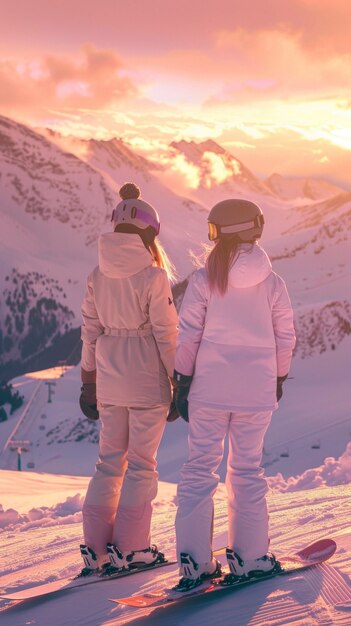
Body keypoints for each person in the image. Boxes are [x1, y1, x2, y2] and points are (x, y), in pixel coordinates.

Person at [170, 198, 296, 591]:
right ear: (253, 228)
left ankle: (194, 564)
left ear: (218, 233)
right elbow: (285, 337)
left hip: (208, 390)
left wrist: (183, 381)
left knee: (198, 471)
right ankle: (251, 558)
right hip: (256, 392)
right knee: (246, 471)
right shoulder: (274, 283)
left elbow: (188, 334)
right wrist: (278, 377)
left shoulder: (205, 278)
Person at [79, 182, 178, 576]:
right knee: (141, 465)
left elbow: (89, 331)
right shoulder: (153, 277)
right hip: (145, 378)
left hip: (108, 378)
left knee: (108, 463)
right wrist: (178, 383)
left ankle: (96, 548)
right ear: (150, 233)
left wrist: (89, 381)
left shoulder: (96, 275)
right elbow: (166, 336)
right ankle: (133, 549)